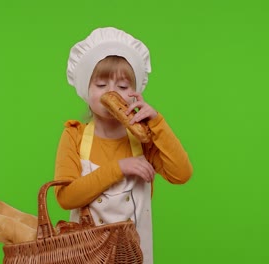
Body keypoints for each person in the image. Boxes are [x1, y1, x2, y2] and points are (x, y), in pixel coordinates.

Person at [54, 27, 193, 264]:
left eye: (122, 86)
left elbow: (182, 174)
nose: (111, 91)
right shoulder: (74, 136)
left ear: (134, 93)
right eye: (100, 84)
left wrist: (157, 123)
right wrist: (119, 167)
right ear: (85, 91)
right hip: (86, 257)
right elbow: (66, 198)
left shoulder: (144, 139)